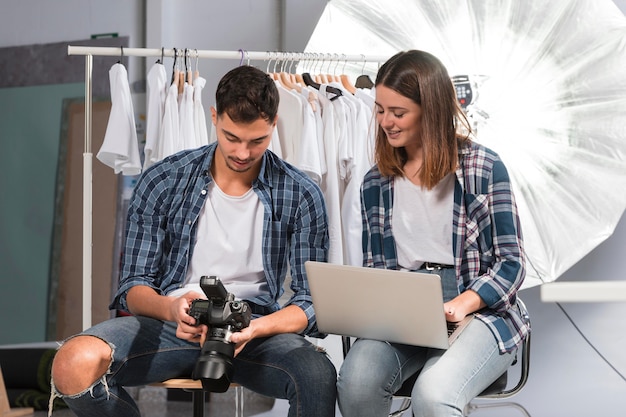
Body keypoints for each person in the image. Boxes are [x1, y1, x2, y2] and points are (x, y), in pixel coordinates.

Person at [50, 65, 337, 417]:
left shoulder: (300, 193)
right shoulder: (164, 179)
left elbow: (311, 303)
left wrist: (255, 327)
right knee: (72, 364)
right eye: (232, 137)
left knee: (317, 375)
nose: (243, 153)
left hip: (254, 332)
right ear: (214, 117)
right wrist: (171, 309)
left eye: (256, 141)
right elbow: (133, 286)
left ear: (274, 124)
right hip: (171, 325)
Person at [336, 50, 530, 417]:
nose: (385, 122)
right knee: (356, 384)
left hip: (477, 309)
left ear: (432, 109)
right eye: (380, 110)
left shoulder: (483, 168)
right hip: (404, 307)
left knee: (432, 394)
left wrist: (463, 303)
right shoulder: (375, 183)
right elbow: (378, 269)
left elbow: (511, 263)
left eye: (398, 112)